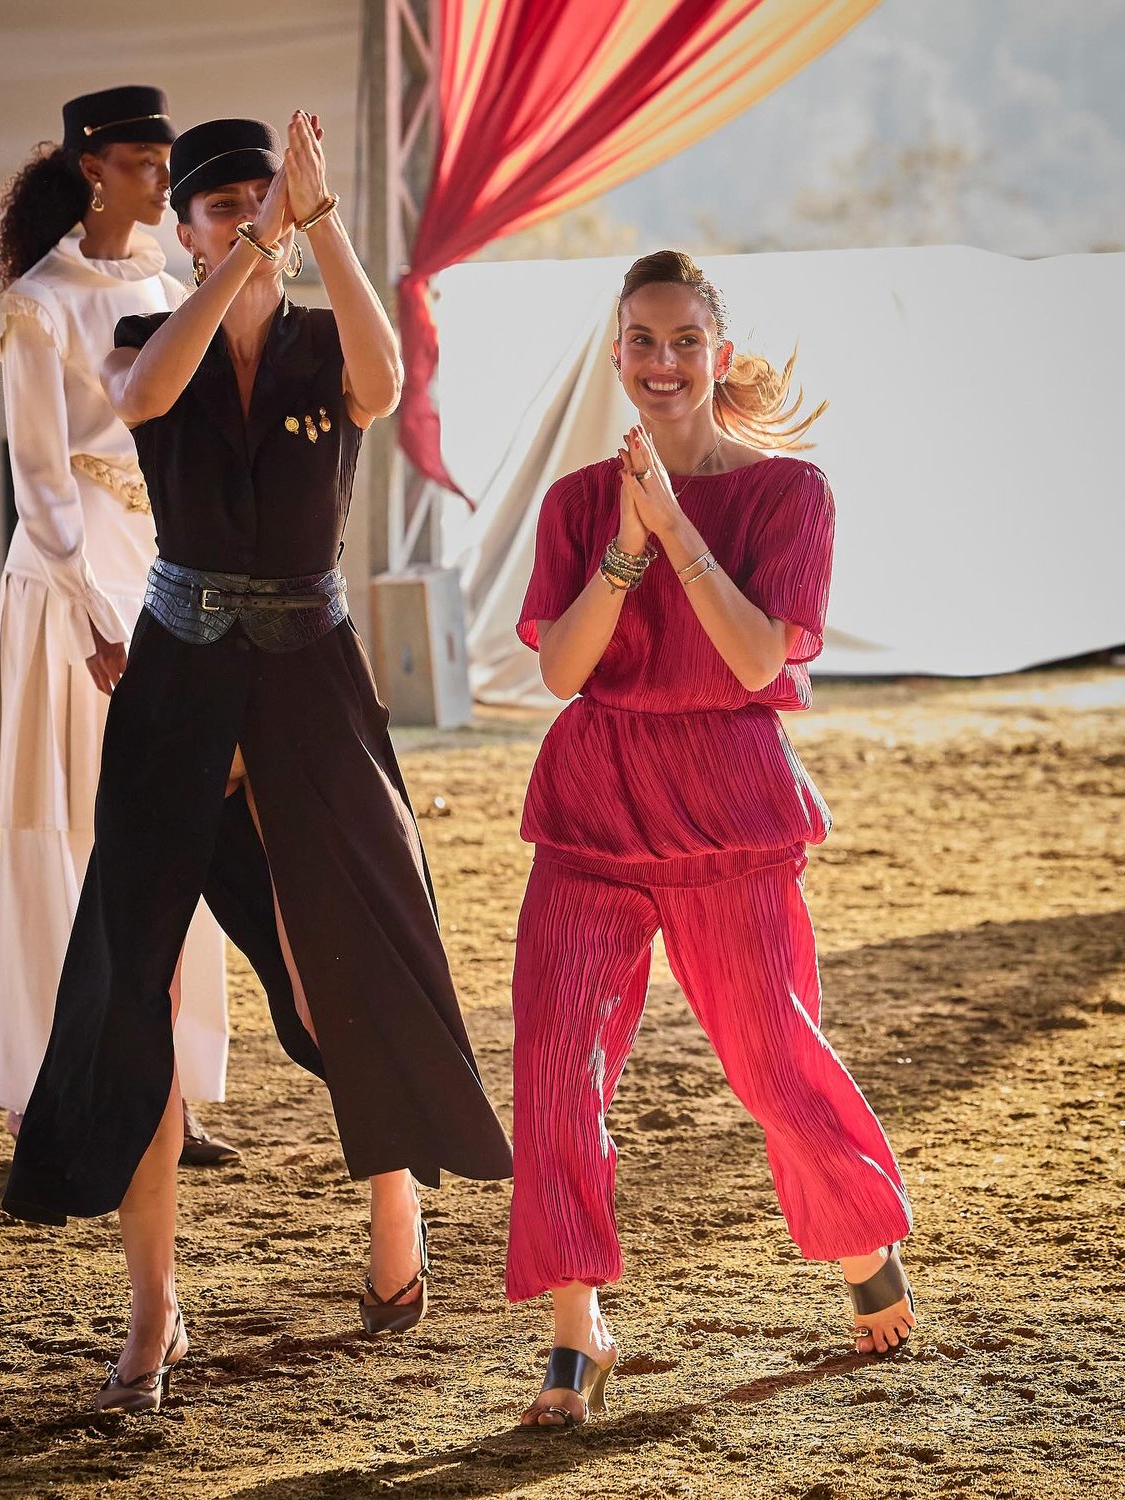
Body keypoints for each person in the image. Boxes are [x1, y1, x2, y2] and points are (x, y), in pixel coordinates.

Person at [2, 114, 512, 1413]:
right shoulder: (145, 337)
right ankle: (154, 1310)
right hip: (180, 684)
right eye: (219, 208)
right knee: (143, 994)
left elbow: (385, 390)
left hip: (311, 684)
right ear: (183, 230)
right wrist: (251, 250)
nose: (246, 219)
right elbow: (140, 402)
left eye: (257, 201)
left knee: (338, 950)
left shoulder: (326, 336)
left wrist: (322, 224)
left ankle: (397, 1222)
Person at [507, 251, 916, 1429]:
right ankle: (578, 1334)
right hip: (592, 806)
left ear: (719, 355)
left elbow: (752, 659)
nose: (663, 363)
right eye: (641, 340)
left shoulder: (794, 497)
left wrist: (676, 526)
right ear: (618, 354)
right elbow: (562, 668)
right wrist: (626, 550)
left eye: (685, 340)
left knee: (771, 1059)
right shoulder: (580, 503)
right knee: (554, 1067)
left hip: (730, 804)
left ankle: (857, 1244)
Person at [0, 85, 237, 1166]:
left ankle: (166, 1094)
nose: (160, 179)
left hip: (162, 565)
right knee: (64, 835)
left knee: (171, 827)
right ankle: (51, 1087)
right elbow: (38, 479)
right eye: (145, 162)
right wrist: (96, 612)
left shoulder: (167, 282)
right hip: (69, 579)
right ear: (95, 167)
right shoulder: (38, 304)